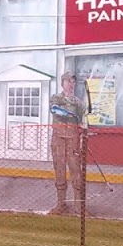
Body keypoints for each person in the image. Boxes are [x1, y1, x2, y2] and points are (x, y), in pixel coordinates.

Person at [48, 71, 86, 215]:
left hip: (73, 139)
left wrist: (82, 125)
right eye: (68, 81)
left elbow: (83, 119)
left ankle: (78, 206)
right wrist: (70, 114)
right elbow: (54, 109)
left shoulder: (79, 103)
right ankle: (61, 204)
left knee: (76, 170)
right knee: (59, 169)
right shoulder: (56, 98)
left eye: (73, 82)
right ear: (62, 83)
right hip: (58, 139)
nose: (71, 84)